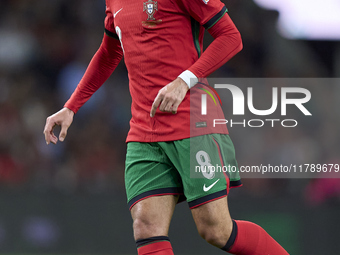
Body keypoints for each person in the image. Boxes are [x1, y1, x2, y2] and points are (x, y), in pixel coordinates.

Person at [44, 0, 289, 254]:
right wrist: (71, 106)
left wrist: (184, 80)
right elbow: (109, 52)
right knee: (146, 226)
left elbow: (231, 37)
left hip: (193, 123)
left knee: (216, 230)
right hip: (143, 131)